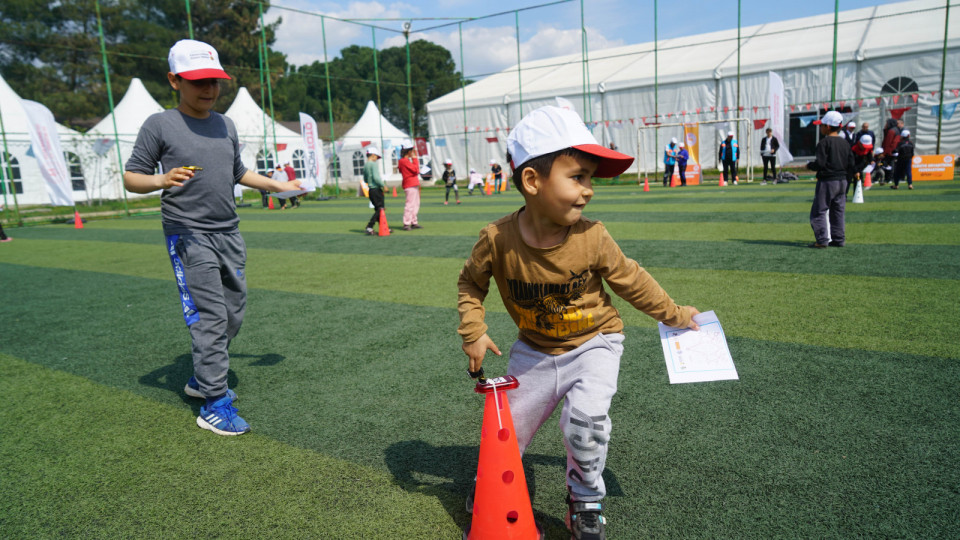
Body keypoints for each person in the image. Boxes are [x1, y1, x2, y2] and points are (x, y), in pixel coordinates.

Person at [457, 106, 701, 540]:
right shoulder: (496, 239)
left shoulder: (593, 236)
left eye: (590, 179)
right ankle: (495, 492)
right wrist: (473, 331)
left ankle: (585, 501)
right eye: (578, 177)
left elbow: (632, 279)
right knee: (505, 436)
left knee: (585, 425)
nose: (588, 190)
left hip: (596, 345)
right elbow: (470, 283)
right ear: (532, 181)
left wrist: (678, 315)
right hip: (532, 351)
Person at [123, 39, 301, 435]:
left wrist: (278, 185)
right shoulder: (159, 125)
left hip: (229, 233)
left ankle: (201, 378)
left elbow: (238, 172)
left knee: (233, 314)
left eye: (215, 81)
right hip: (189, 234)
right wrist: (161, 179)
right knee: (210, 317)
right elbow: (131, 176)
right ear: (174, 80)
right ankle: (213, 404)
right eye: (198, 81)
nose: (208, 89)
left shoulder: (226, 124)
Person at [806, 110, 854, 248]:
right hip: (842, 180)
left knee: (819, 211)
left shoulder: (824, 143)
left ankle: (822, 240)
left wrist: (810, 165)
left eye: (821, 125)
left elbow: (820, 164)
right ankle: (839, 239)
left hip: (828, 181)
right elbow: (851, 164)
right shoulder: (845, 143)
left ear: (827, 126)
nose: (820, 127)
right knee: (838, 211)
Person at [363, 146, 390, 235]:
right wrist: (383, 185)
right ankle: (369, 226)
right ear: (373, 155)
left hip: (370, 190)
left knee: (378, 210)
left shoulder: (366, 165)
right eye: (377, 157)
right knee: (380, 209)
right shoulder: (373, 164)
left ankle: (384, 226)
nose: (377, 159)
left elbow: (365, 179)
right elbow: (376, 177)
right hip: (376, 189)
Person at [398, 139, 422, 230]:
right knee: (410, 204)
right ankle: (406, 223)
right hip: (410, 185)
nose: (413, 152)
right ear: (408, 151)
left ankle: (413, 222)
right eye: (412, 150)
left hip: (413, 184)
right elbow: (416, 170)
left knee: (415, 204)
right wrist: (415, 158)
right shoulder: (404, 161)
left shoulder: (404, 161)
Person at [880, 118, 901, 185]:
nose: (886, 124)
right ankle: (890, 178)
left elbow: (888, 143)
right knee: (892, 165)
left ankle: (888, 178)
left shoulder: (891, 131)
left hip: (889, 152)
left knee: (888, 165)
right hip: (894, 151)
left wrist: (885, 152)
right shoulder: (897, 130)